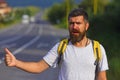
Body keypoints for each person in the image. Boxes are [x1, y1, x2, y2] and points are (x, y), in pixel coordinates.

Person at [5, 8, 109, 80]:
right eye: (71, 23)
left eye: (78, 23)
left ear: (86, 26)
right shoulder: (61, 47)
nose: (74, 27)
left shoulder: (97, 49)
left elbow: (102, 77)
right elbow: (38, 67)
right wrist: (16, 63)